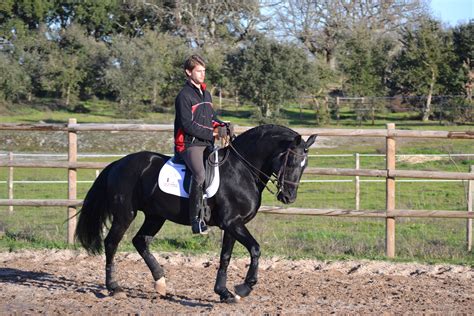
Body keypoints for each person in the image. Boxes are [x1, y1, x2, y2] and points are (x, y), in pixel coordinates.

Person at [174, 54, 227, 235]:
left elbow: (211, 118)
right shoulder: (184, 96)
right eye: (199, 71)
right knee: (200, 174)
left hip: (206, 143)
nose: (202, 74)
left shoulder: (206, 94)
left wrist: (222, 126)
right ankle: (195, 220)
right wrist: (212, 133)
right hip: (189, 145)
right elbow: (187, 125)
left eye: (204, 71)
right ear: (188, 72)